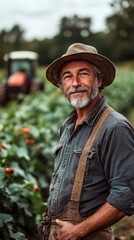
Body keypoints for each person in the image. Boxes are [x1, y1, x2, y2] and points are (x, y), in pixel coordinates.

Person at [39, 43, 134, 240]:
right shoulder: (68, 125)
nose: (74, 83)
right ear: (62, 86)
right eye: (67, 76)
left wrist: (79, 230)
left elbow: (126, 195)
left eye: (83, 74)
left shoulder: (115, 127)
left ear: (99, 80)